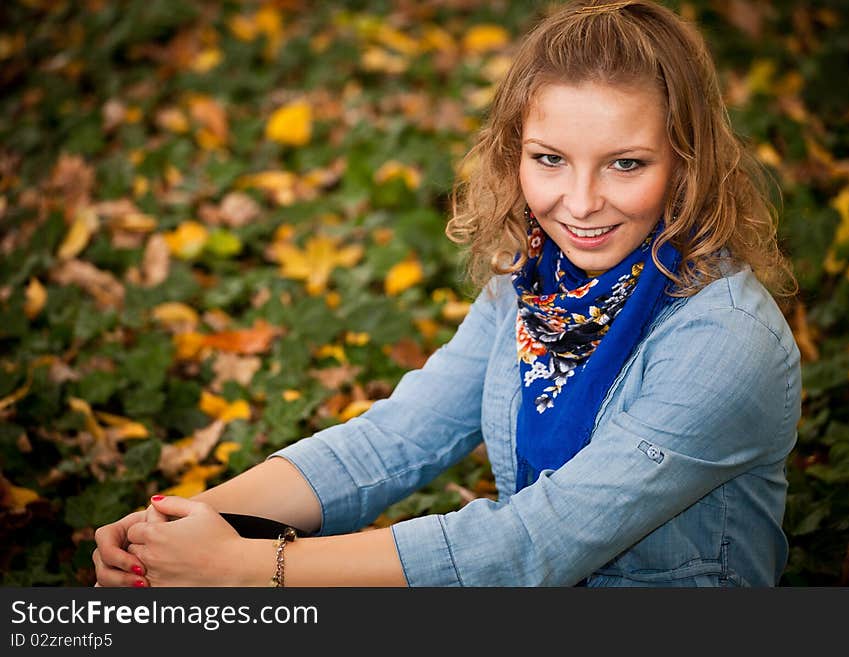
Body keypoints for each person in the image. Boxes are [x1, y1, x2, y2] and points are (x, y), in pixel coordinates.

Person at [93, 0, 802, 587]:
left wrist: (258, 567)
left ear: (687, 162)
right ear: (514, 151)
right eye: (549, 159)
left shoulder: (723, 340)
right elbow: (399, 437)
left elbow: (533, 542)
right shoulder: (534, 284)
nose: (580, 204)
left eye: (625, 163)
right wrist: (178, 526)